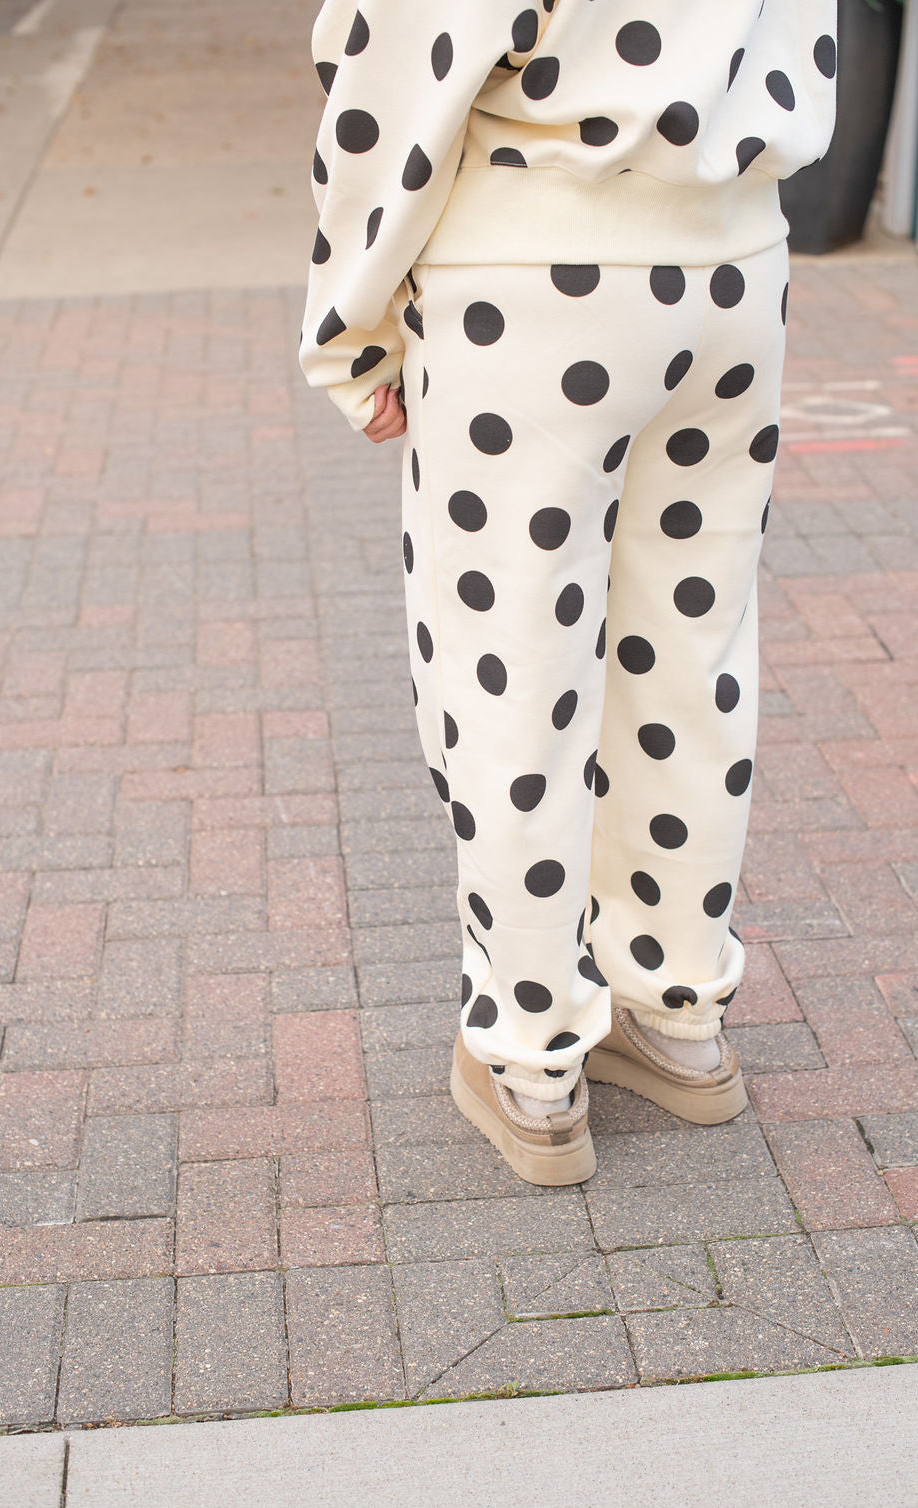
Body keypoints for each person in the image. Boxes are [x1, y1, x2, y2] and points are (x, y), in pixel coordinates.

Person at [300, 0, 837, 1186]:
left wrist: (350, 330)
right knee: (688, 661)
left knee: (514, 677)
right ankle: (675, 1009)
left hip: (533, 276)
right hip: (735, 265)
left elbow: (397, 63)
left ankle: (534, 1058)